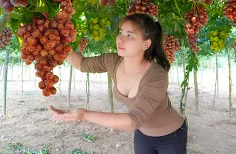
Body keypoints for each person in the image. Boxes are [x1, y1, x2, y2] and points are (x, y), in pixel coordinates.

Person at [49, 14, 187, 154]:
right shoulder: (112, 61)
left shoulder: (157, 75)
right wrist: (56, 40)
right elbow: (82, 64)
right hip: (143, 134)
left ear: (146, 44)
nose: (121, 39)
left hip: (171, 136)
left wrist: (84, 115)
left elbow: (134, 120)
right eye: (120, 32)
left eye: (129, 35)